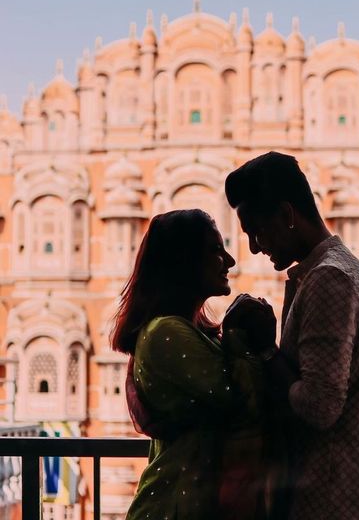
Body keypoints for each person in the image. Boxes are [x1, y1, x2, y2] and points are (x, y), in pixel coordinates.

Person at [225, 151, 359, 520]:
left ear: (287, 216)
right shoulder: (339, 269)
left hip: (333, 500)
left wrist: (267, 350)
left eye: (257, 230)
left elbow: (319, 406)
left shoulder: (328, 279)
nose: (254, 246)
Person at [110, 209, 283, 520]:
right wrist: (242, 339)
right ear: (183, 261)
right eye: (215, 250)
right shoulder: (166, 333)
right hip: (173, 505)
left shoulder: (194, 333)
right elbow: (242, 401)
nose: (229, 261)